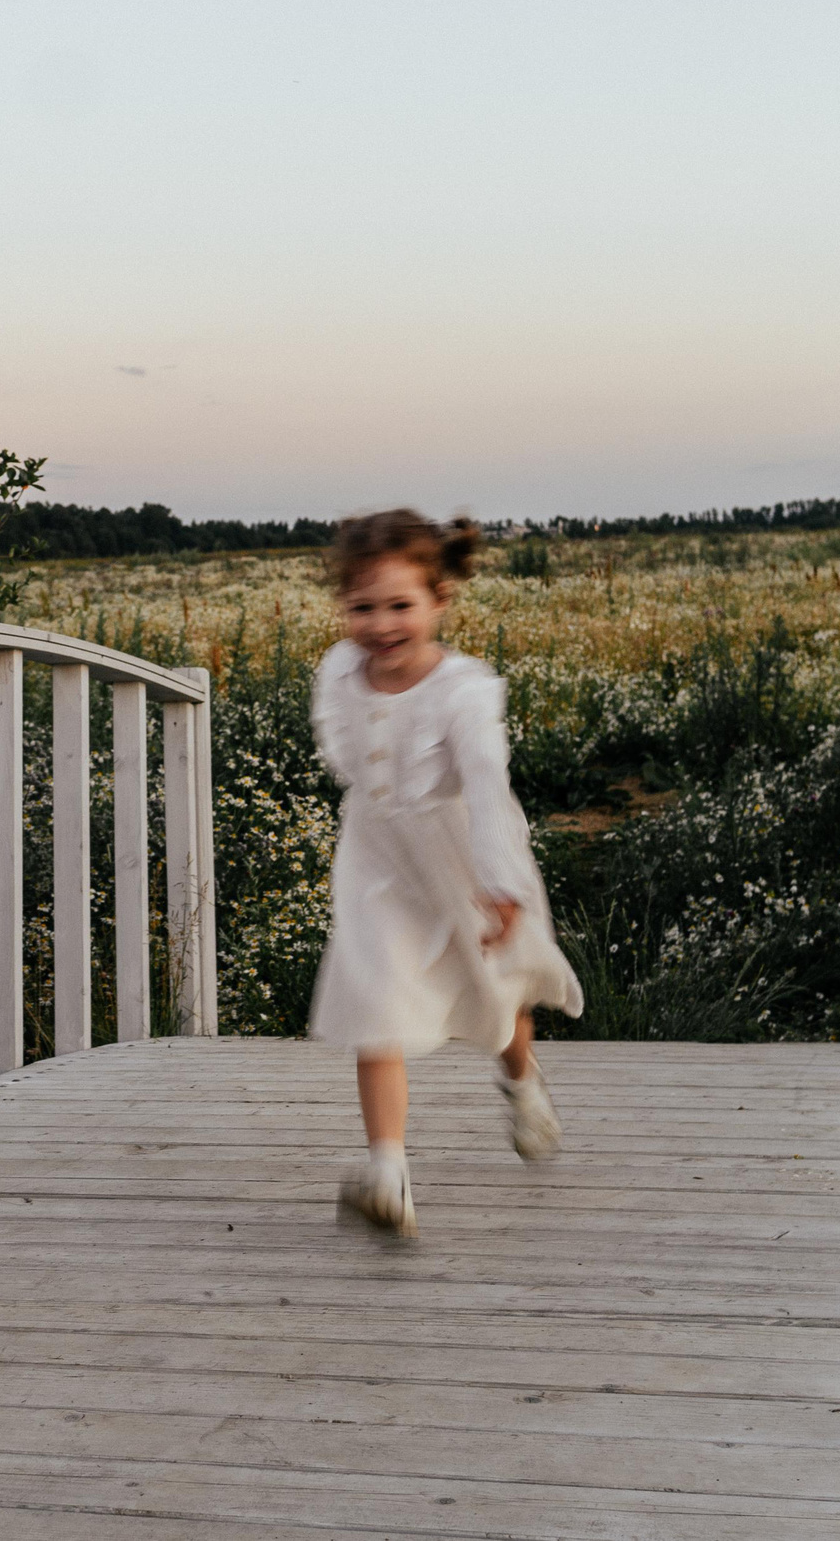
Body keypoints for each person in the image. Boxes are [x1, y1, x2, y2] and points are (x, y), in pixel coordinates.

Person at [310, 509, 584, 1234]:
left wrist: (502, 884)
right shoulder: (339, 671)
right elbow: (345, 752)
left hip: (462, 860)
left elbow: (488, 788)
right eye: (362, 607)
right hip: (377, 863)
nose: (380, 625)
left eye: (400, 605)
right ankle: (388, 1171)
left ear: (439, 600)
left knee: (496, 998)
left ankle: (521, 1083)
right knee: (375, 1004)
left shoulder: (464, 689)